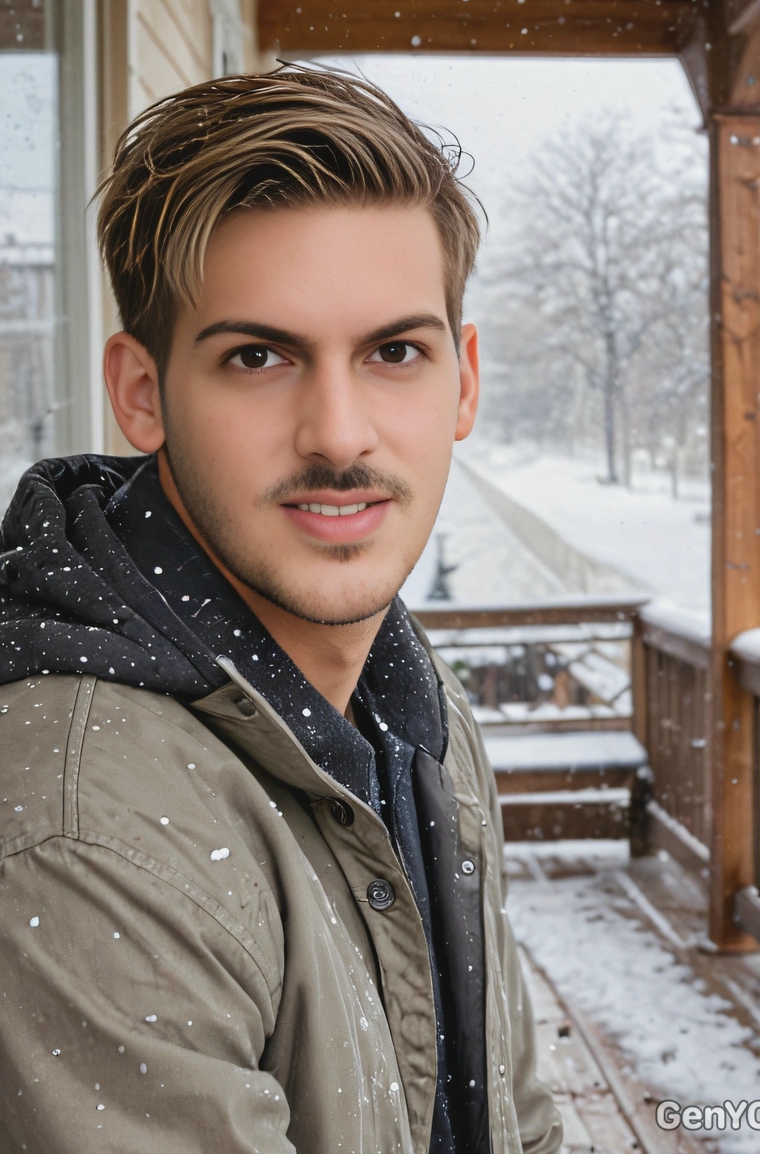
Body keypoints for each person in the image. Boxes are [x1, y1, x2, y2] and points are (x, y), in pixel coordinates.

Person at [0, 66, 563, 1153]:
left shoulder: (412, 703)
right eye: (259, 356)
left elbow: (513, 1112)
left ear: (464, 381)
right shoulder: (88, 832)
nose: (340, 433)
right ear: (141, 392)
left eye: (394, 351)